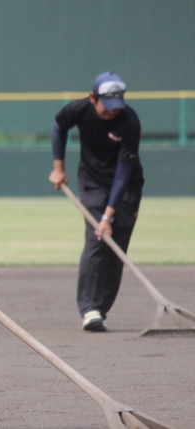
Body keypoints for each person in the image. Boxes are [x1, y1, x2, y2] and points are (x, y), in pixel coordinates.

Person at [48, 71, 144, 332]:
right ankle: (89, 308)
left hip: (126, 185)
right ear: (93, 98)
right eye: (107, 105)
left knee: (116, 245)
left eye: (117, 106)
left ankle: (100, 308)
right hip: (92, 181)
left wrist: (108, 217)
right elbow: (59, 126)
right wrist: (59, 168)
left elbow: (123, 172)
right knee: (96, 237)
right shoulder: (79, 109)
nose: (112, 111)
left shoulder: (129, 122)